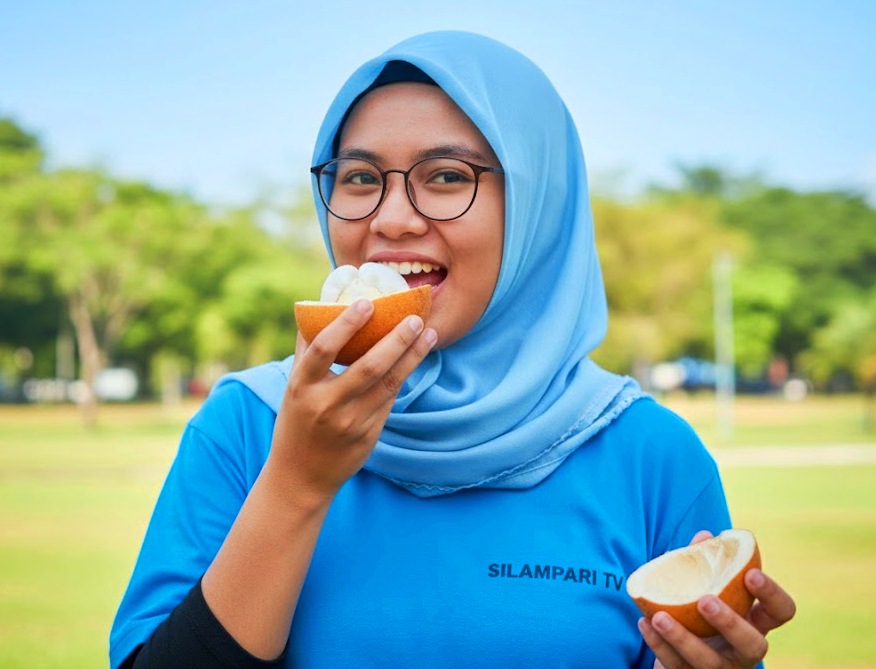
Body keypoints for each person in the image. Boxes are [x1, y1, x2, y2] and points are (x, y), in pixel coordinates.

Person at [109, 30, 795, 668]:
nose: (391, 219)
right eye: (359, 178)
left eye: (445, 176)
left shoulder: (650, 456)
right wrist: (295, 482)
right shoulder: (248, 424)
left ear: (537, 205)